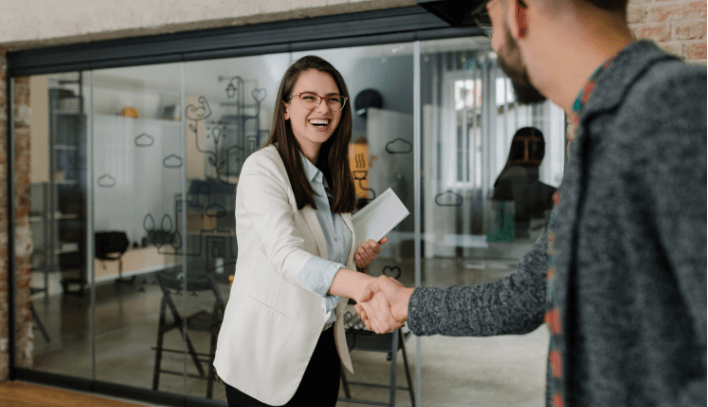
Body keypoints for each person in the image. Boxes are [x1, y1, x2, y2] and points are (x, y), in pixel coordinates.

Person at [356, 1, 707, 406]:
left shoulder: (675, 107)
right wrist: (407, 303)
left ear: (518, 11)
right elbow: (522, 299)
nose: (495, 38)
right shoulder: (604, 132)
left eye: (490, 16)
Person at [213, 55, 393, 407]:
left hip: (321, 346)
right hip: (264, 355)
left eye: (332, 99)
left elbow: (323, 257)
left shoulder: (331, 176)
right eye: (308, 97)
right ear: (285, 109)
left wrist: (354, 259)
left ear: (342, 109)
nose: (321, 107)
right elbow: (286, 255)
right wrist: (366, 287)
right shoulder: (262, 168)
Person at [492, 127, 556, 238]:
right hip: (514, 241)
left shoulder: (517, 171)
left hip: (518, 238)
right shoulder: (517, 172)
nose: (543, 151)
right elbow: (524, 204)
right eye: (541, 146)